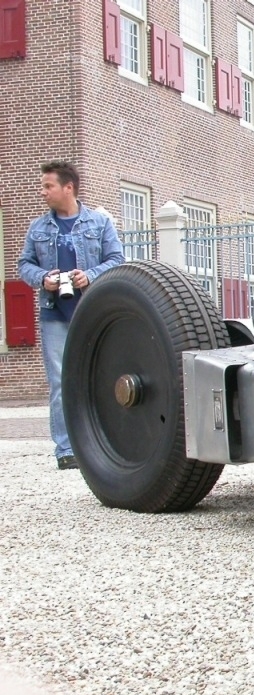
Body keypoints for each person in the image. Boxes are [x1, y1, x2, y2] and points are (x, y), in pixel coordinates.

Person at [17, 161, 124, 470]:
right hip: (54, 317)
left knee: (101, 378)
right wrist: (42, 278)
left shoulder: (99, 223)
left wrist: (89, 275)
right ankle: (66, 450)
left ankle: (105, 444)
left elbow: (117, 259)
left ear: (68, 188)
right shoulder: (38, 228)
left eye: (47, 186)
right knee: (61, 384)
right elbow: (24, 265)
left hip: (94, 314)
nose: (43, 192)